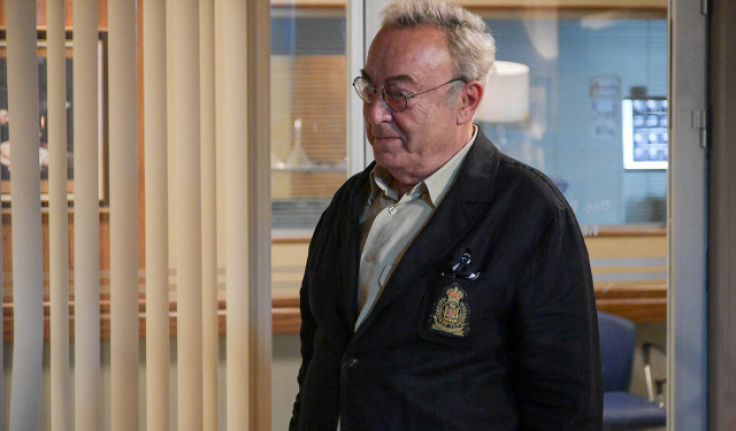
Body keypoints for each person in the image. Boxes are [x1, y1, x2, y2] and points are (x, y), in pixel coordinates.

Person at [290, 0, 602, 429]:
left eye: (399, 94)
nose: (375, 113)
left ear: (466, 100)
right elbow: (318, 360)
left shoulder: (532, 213)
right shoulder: (348, 203)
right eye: (370, 89)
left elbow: (565, 403)